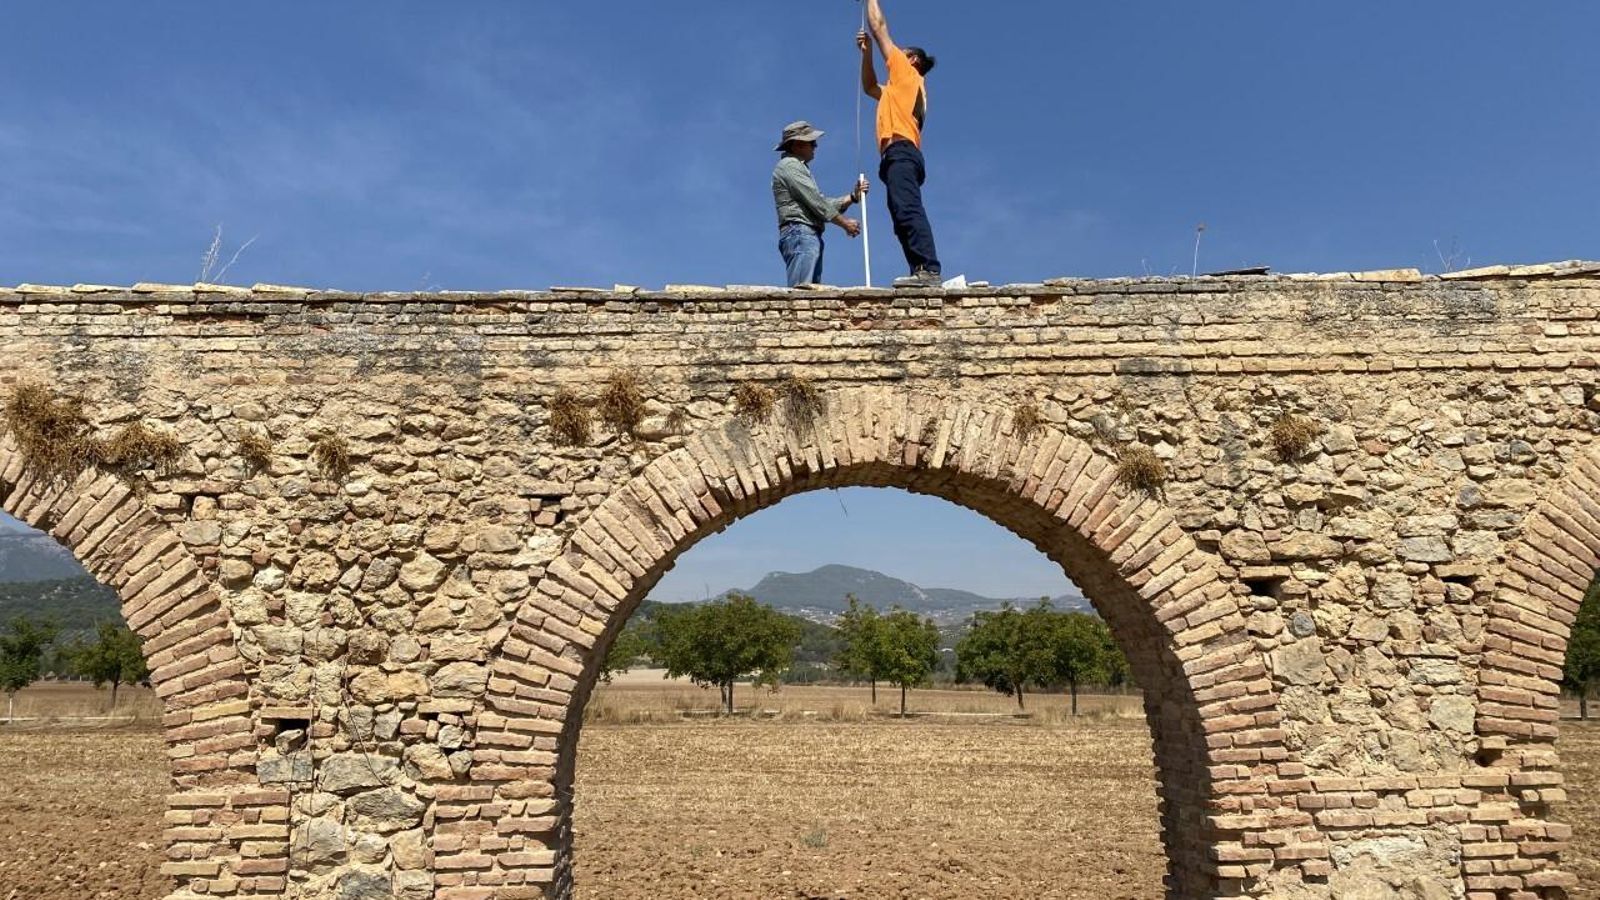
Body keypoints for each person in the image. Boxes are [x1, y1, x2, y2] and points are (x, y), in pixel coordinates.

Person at [858, 0, 941, 286]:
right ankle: (920, 270)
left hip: (902, 151)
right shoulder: (898, 90)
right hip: (899, 154)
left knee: (907, 209)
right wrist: (867, 53)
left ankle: (928, 269)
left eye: (901, 52)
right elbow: (870, 87)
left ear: (912, 60)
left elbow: (878, 27)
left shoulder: (908, 73)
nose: (894, 54)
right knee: (900, 213)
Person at [771, 121, 867, 288]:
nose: (815, 146)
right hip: (800, 232)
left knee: (810, 293)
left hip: (805, 233)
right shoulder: (789, 166)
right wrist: (845, 224)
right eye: (811, 142)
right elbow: (815, 201)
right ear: (797, 144)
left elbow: (818, 202)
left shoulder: (797, 167)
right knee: (802, 292)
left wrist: (852, 197)